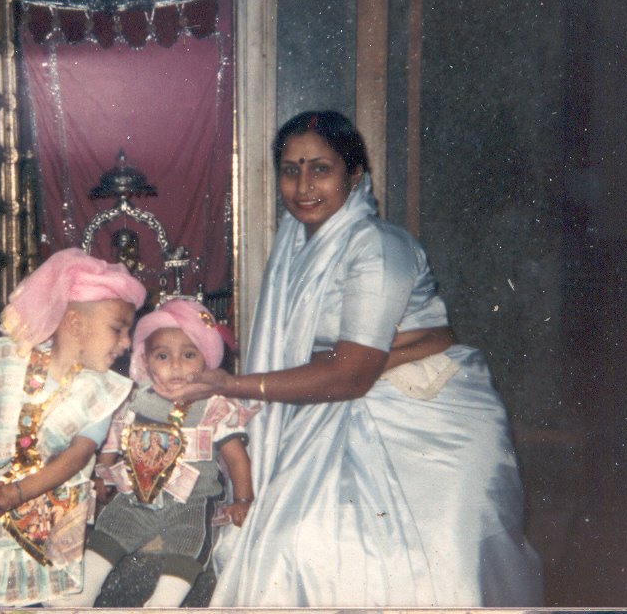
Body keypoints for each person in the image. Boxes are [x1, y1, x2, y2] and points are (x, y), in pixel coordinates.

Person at [154, 111, 543, 607]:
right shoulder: (294, 248)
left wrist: (226, 384)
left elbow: (352, 373)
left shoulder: (378, 246)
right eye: (291, 170)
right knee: (294, 544)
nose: (303, 185)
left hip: (421, 419)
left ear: (354, 175)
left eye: (321, 168)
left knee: (359, 553)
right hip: (337, 401)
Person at [0, 247, 147, 606]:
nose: (127, 343)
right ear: (76, 323)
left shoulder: (103, 391)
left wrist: (18, 493)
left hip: (50, 522)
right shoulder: (12, 363)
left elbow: (78, 456)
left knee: (40, 599)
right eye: (118, 329)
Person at [50, 298, 257, 608]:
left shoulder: (213, 405)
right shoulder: (136, 399)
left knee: (190, 542)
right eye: (163, 356)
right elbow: (115, 438)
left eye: (188, 355)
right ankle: (84, 588)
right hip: (139, 492)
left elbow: (236, 455)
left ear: (206, 359)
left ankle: (164, 601)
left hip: (194, 498)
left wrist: (243, 499)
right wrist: (103, 473)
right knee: (112, 526)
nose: (175, 365)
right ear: (146, 361)